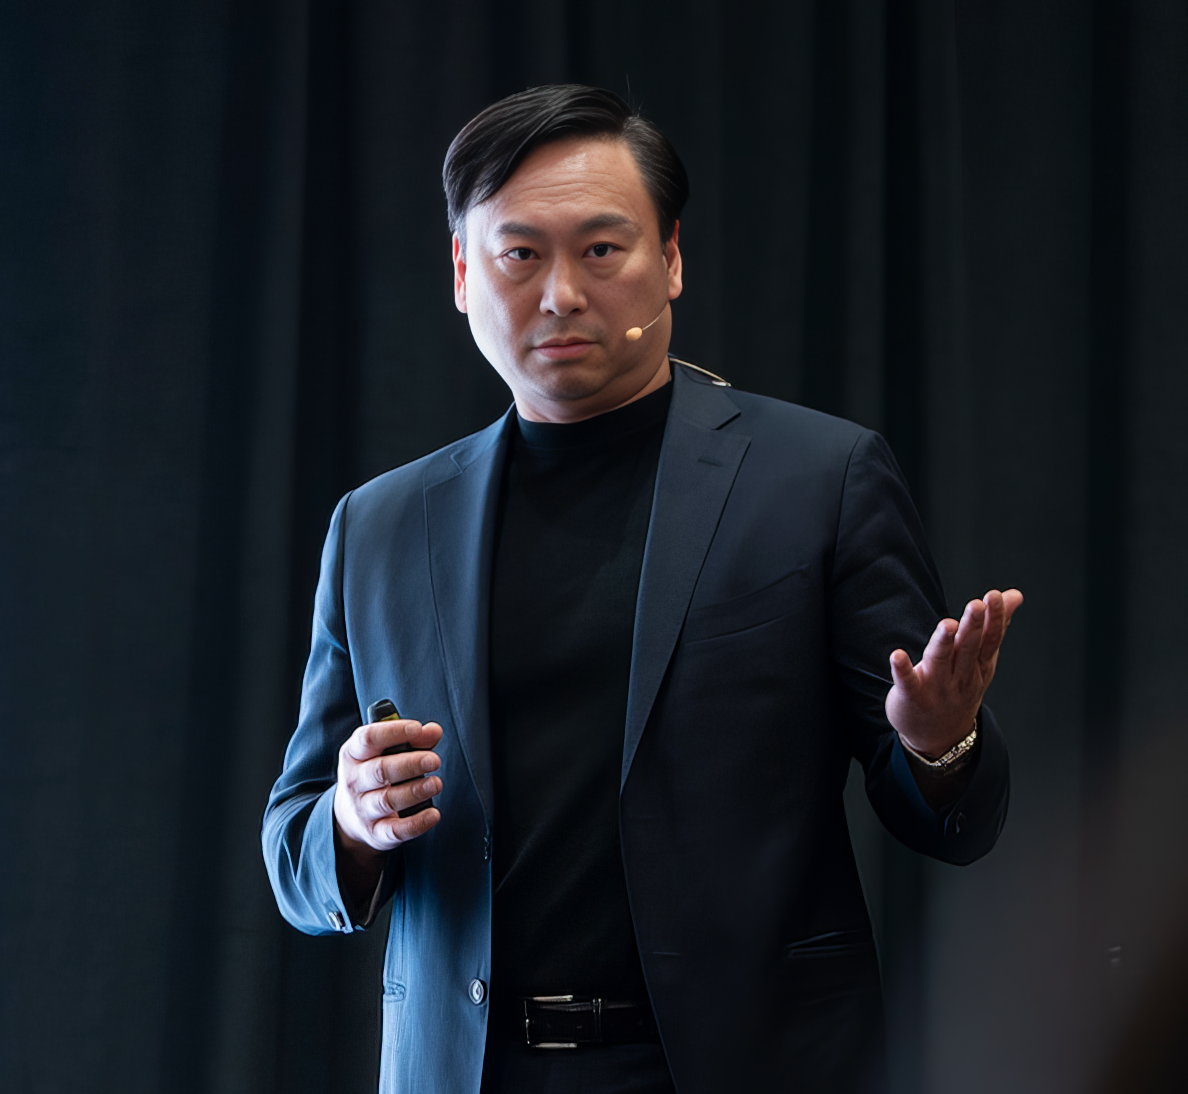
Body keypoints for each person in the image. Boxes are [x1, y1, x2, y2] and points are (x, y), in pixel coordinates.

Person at [262, 84, 1021, 1094]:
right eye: (519, 254)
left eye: (601, 249)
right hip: (469, 1069)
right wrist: (352, 822)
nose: (561, 294)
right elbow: (294, 847)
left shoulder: (818, 479)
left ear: (670, 260)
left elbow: (952, 824)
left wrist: (939, 743)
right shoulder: (381, 525)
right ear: (462, 273)